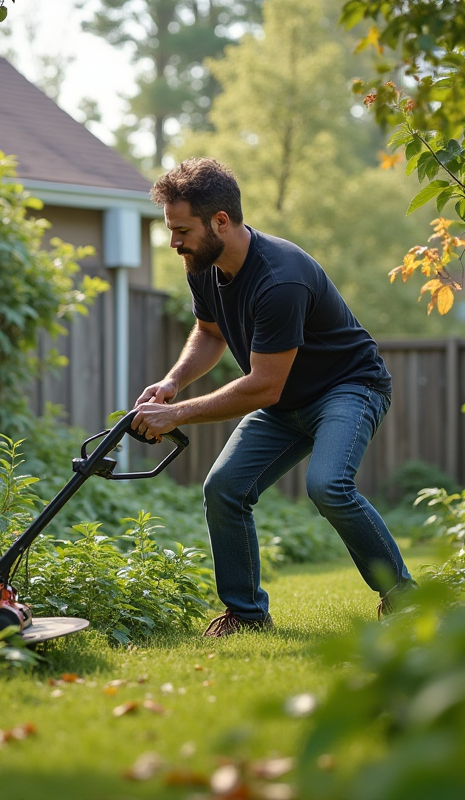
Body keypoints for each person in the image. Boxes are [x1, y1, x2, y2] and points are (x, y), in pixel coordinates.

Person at [132, 157, 414, 636]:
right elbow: (209, 333)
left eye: (182, 231)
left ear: (220, 221)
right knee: (223, 488)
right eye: (171, 231)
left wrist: (176, 414)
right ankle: (246, 615)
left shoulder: (279, 278)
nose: (175, 243)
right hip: (286, 403)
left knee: (328, 485)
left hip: (348, 388)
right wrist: (173, 382)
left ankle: (404, 598)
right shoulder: (203, 265)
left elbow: (265, 385)